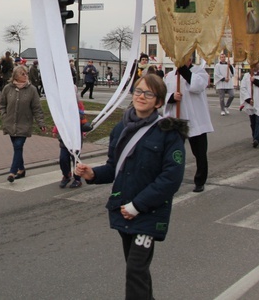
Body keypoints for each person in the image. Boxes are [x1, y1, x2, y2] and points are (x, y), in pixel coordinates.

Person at [74, 74, 186, 300]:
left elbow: (171, 178)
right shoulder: (120, 128)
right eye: (138, 91)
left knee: (135, 268)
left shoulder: (168, 132)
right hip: (124, 209)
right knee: (138, 270)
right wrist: (93, 173)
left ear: (158, 102)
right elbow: (115, 167)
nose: (141, 97)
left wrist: (138, 205)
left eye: (148, 93)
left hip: (149, 212)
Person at [165, 57, 213, 192]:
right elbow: (163, 94)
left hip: (195, 120)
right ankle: (171, 179)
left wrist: (183, 69)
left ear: (190, 58)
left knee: (200, 153)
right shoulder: (169, 76)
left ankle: (200, 180)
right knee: (174, 152)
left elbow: (197, 86)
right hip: (177, 120)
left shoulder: (199, 72)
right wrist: (171, 97)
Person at [0, 65, 46, 183]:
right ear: (15, 76)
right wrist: (4, 116)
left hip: (24, 124)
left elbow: (37, 108)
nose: (26, 76)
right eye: (23, 74)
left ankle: (12, 172)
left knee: (18, 146)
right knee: (17, 148)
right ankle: (21, 169)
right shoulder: (7, 88)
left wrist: (41, 123)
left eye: (26, 74)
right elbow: (2, 104)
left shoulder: (32, 90)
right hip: (10, 123)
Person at [54, 87, 92, 188]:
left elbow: (82, 118)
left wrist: (84, 125)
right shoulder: (61, 105)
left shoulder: (78, 105)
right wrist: (56, 129)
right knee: (63, 158)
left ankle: (77, 179)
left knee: (75, 158)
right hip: (65, 137)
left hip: (75, 136)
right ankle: (66, 175)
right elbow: (59, 119)